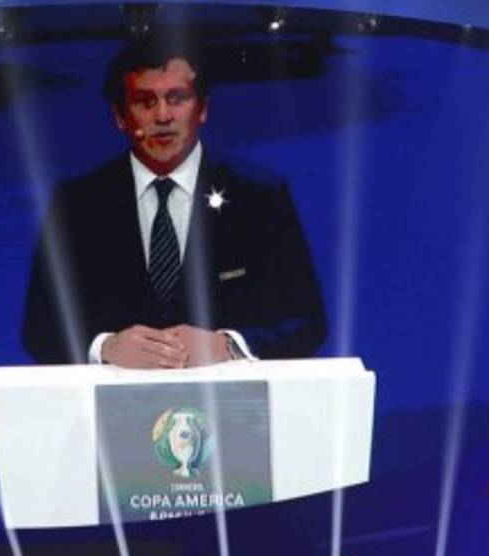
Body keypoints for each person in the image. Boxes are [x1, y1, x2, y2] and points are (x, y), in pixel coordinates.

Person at [21, 34, 327, 367]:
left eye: (177, 98)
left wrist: (228, 346)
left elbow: (305, 322)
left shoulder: (259, 196)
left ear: (203, 109)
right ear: (120, 116)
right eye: (145, 101)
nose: (163, 115)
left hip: (228, 394)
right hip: (115, 394)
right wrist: (105, 348)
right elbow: (40, 330)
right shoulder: (76, 204)